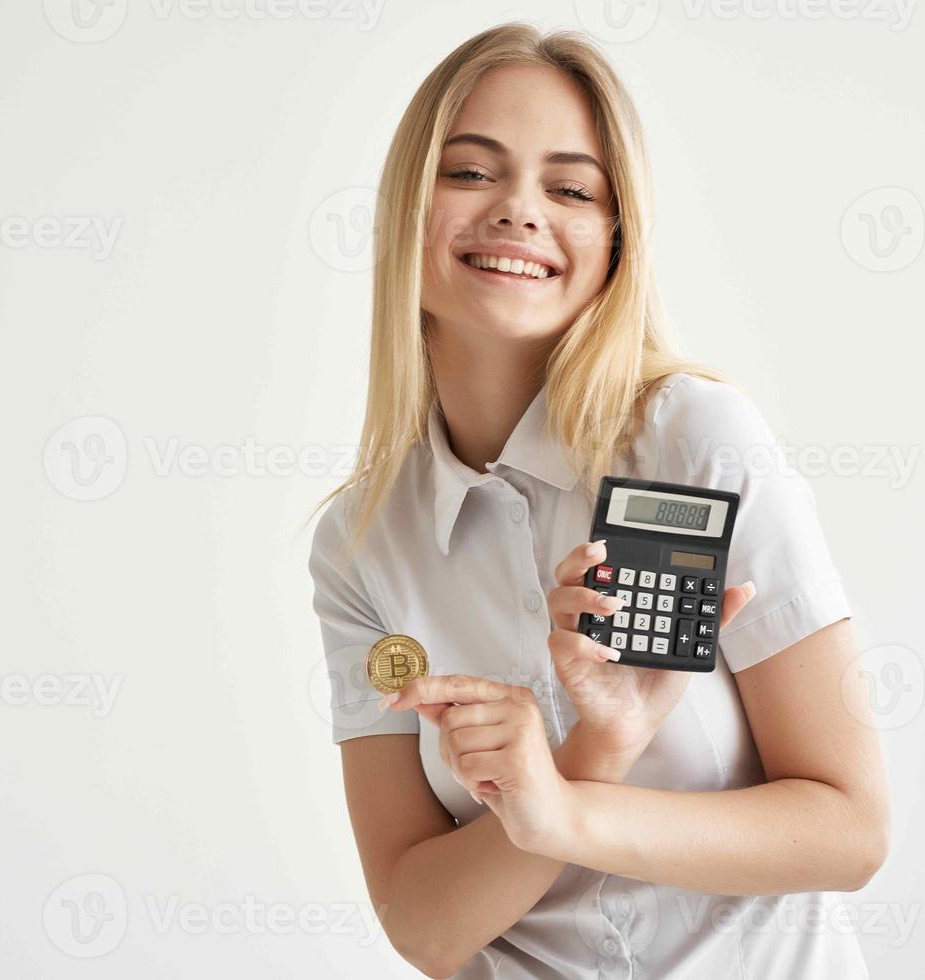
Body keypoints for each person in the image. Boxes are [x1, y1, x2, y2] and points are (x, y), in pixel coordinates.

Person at [306, 22, 890, 979]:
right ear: (406, 206)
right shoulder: (362, 543)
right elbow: (424, 926)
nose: (520, 213)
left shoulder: (692, 443)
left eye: (571, 189)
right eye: (470, 172)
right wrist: (596, 752)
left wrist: (565, 805)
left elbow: (848, 828)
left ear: (616, 240)